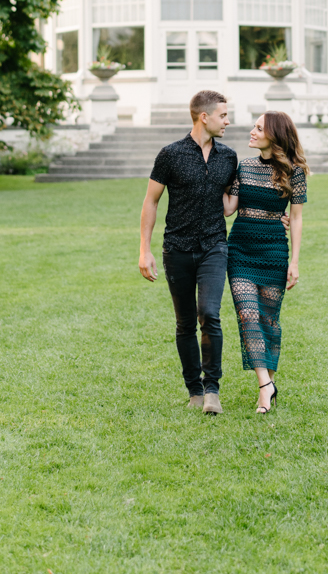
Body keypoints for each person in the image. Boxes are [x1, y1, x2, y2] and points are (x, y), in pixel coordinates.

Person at [138, 90, 237, 415]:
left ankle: (212, 390)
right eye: (223, 115)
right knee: (184, 322)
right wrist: (145, 250)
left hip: (214, 246)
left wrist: (271, 207)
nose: (228, 120)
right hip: (177, 249)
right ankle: (194, 388)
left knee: (209, 313)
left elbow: (228, 206)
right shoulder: (170, 154)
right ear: (203, 117)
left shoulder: (229, 157)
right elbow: (151, 201)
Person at [223, 111, 308, 414]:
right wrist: (216, 176)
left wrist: (294, 262)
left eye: (259, 128)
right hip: (240, 250)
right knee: (248, 314)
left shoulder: (294, 171)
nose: (252, 132)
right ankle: (265, 385)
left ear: (274, 135)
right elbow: (229, 209)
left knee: (269, 321)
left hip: (274, 251)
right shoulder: (243, 167)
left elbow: (296, 219)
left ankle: (267, 391)